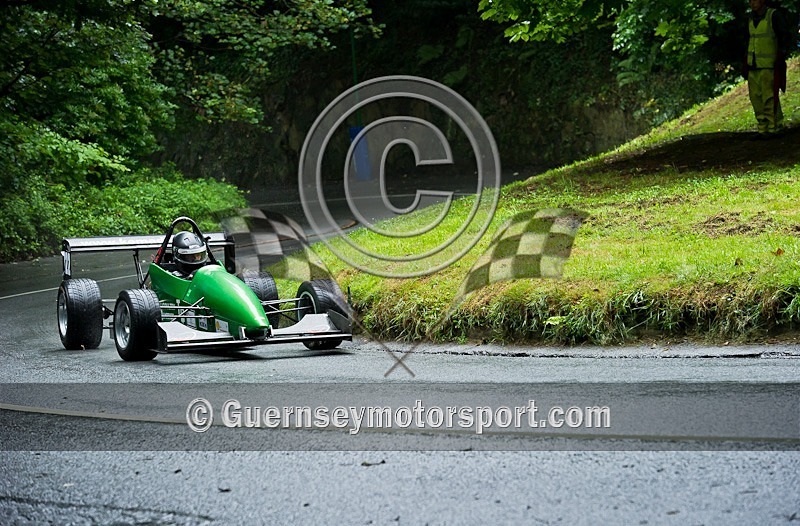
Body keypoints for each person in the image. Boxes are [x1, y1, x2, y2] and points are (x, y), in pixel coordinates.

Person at [745, 0, 792, 138]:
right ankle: (763, 128)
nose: (752, 3)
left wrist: (780, 56)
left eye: (755, 0)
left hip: (769, 64)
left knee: (769, 97)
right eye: (750, 0)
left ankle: (774, 127)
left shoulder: (773, 16)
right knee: (756, 98)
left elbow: (784, 37)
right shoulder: (750, 19)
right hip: (753, 65)